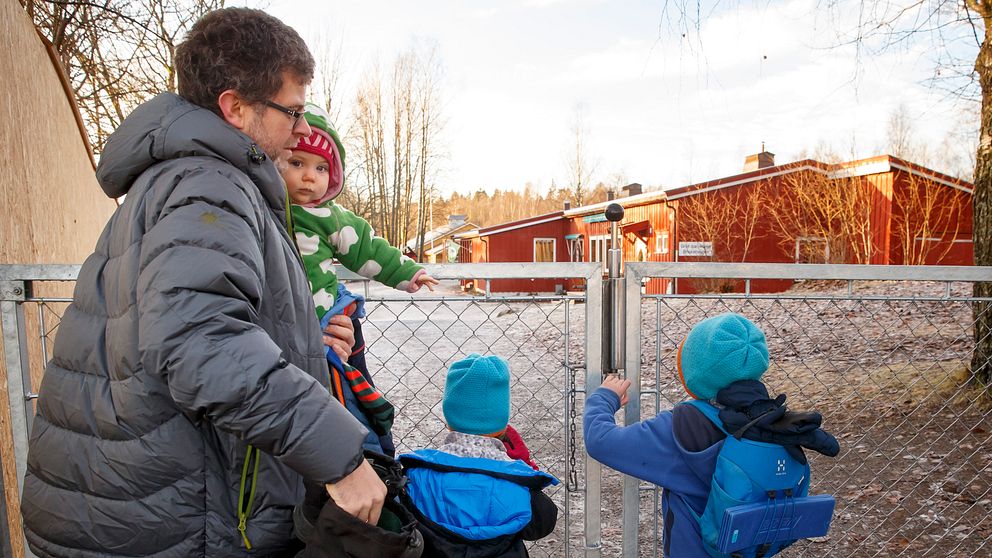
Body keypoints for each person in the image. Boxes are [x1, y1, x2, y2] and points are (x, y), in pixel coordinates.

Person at [20, 8, 386, 557]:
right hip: (166, 518)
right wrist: (340, 457)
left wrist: (304, 337)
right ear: (235, 107)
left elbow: (196, 315)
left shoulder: (191, 179)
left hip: (141, 503)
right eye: (293, 111)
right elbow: (200, 343)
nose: (304, 130)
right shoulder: (207, 186)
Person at [584, 313, 839, 557]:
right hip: (752, 547)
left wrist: (605, 396)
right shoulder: (776, 424)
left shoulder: (682, 428)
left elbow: (600, 440)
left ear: (695, 374)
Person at [284, 103, 438, 454]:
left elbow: (369, 249)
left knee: (344, 399)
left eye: (321, 167)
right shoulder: (263, 208)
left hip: (324, 317)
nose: (310, 176)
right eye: (298, 164)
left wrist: (408, 271)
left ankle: (372, 452)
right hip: (287, 324)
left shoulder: (330, 217)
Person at [398, 354, 559, 557]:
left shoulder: (415, 476)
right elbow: (542, 525)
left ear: (449, 419)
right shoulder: (518, 483)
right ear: (503, 425)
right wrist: (524, 466)